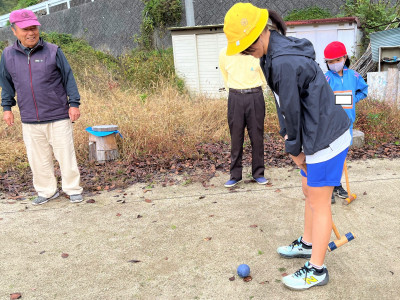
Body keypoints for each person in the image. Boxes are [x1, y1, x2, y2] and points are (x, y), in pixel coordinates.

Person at [223, 3, 351, 290]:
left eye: (246, 47)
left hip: (325, 138)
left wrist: (294, 149)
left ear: (258, 35)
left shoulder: (282, 61)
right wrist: (290, 140)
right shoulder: (273, 52)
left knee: (319, 202)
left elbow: (291, 111)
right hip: (314, 131)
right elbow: (285, 107)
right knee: (310, 192)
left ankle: (317, 270)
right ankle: (308, 243)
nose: (247, 52)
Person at [0, 9, 83, 205]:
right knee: (38, 160)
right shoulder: (8, 55)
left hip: (58, 115)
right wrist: (6, 108)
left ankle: (72, 188)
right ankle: (47, 191)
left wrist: (74, 104)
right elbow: (6, 83)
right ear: (14, 31)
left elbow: (68, 78)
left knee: (66, 156)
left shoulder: (53, 50)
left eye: (34, 28)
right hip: (30, 118)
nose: (31, 33)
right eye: (25, 29)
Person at [324, 41, 368, 203]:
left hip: (347, 124)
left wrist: (353, 99)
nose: (334, 64)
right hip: (331, 125)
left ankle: (336, 184)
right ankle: (328, 187)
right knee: (331, 156)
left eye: (337, 60)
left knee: (341, 157)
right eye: (330, 62)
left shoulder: (354, 76)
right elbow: (321, 99)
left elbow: (364, 91)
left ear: (344, 58)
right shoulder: (326, 78)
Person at [219, 45, 268, 187]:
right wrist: (236, 91)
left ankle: (258, 173)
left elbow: (264, 75)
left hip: (255, 95)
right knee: (236, 137)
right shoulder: (224, 53)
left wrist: (256, 90)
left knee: (257, 137)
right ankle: (235, 175)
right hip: (235, 97)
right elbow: (225, 75)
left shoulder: (257, 51)